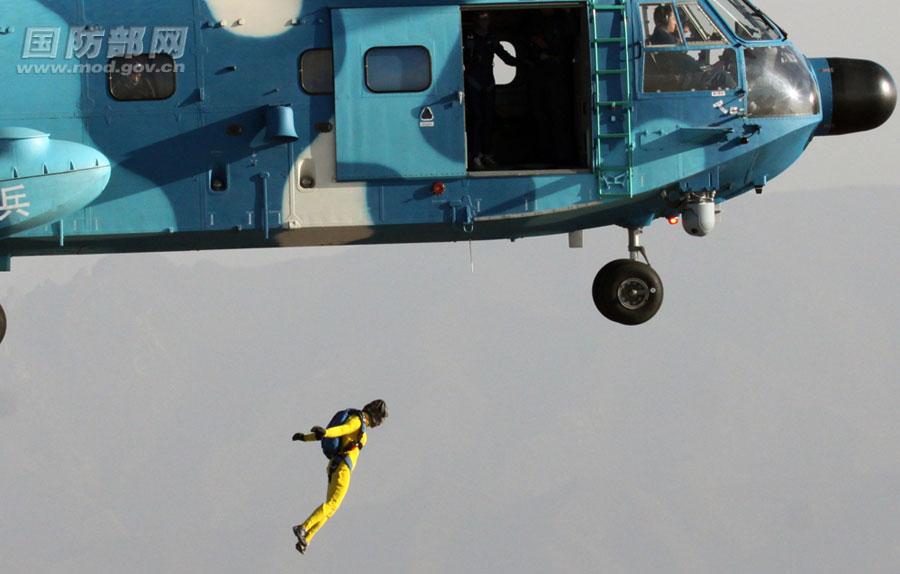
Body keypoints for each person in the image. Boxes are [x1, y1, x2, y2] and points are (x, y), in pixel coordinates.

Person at [291, 399, 388, 554]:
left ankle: (306, 539)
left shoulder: (360, 426)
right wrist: (326, 432)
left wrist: (304, 437)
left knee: (330, 507)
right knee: (332, 505)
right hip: (343, 469)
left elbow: (323, 435)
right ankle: (303, 528)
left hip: (334, 467)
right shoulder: (357, 422)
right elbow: (340, 430)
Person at [464, 12, 519, 170]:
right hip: (473, 81)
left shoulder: (492, 38)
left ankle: (486, 153)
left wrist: (524, 62)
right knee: (477, 119)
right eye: (482, 18)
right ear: (476, 20)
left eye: (487, 18)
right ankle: (475, 155)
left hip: (488, 82)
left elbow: (506, 57)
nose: (485, 21)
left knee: (488, 120)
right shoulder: (469, 37)